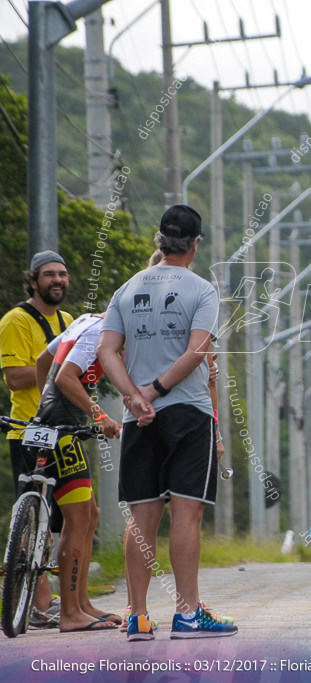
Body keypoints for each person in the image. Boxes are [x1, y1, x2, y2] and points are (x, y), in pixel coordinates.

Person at [97, 205, 236, 641]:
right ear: (196, 244)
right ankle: (188, 613)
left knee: (142, 517)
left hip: (139, 419)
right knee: (186, 515)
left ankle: (137, 617)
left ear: (160, 240)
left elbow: (106, 352)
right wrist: (154, 391)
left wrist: (134, 397)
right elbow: (197, 352)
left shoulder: (126, 288)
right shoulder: (203, 290)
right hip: (188, 411)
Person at [34, 312, 122, 632]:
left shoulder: (85, 320)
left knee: (90, 513)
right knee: (78, 518)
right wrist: (100, 416)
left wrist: (42, 403)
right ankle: (70, 613)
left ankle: (82, 603)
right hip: (62, 430)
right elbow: (64, 377)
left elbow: (43, 359)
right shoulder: (101, 330)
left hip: (49, 422)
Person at [0, 250, 73, 628]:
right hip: (29, 430)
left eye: (62, 274)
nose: (57, 280)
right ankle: (41, 604)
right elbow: (14, 377)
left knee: (72, 517)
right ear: (33, 280)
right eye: (49, 275)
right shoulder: (16, 320)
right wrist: (58, 372)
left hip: (64, 430)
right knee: (34, 519)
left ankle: (68, 600)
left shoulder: (68, 320)